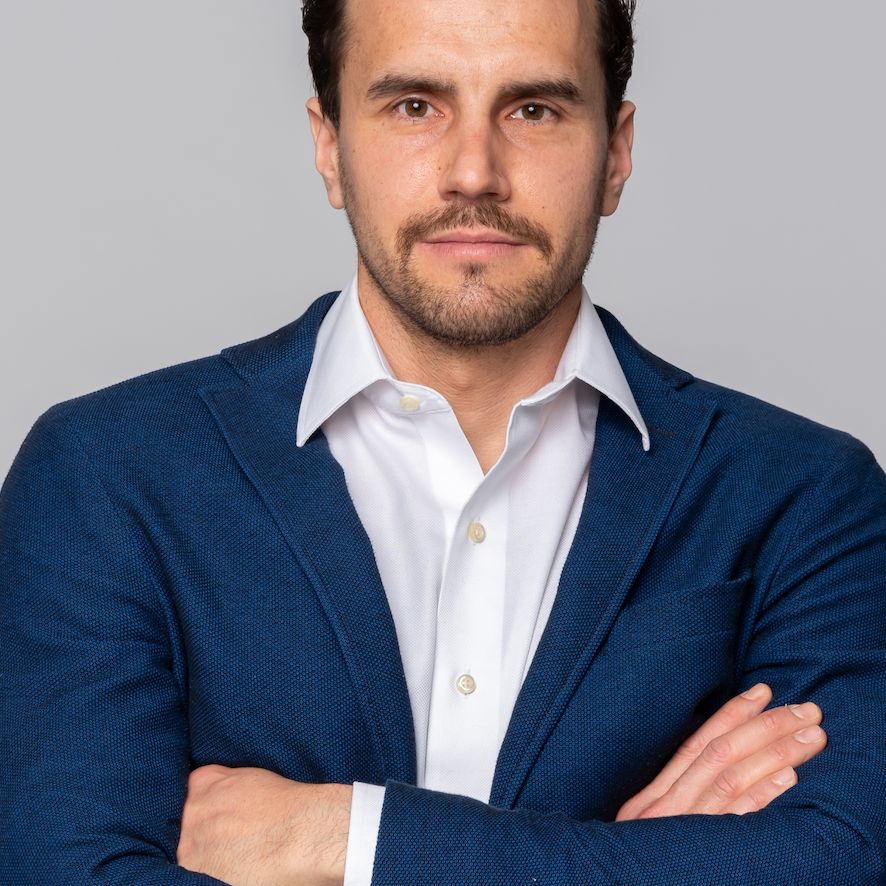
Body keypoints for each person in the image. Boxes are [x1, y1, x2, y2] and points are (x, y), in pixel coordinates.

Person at [1, 0, 883, 883]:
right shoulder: (105, 475)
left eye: (534, 109)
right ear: (329, 145)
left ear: (615, 154)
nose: (473, 173)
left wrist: (344, 837)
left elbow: (842, 860)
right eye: (415, 106)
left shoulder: (806, 496)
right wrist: (632, 865)